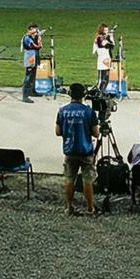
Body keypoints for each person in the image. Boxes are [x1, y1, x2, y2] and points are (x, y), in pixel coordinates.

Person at [55, 85, 99, 216]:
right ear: (83, 95)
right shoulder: (89, 111)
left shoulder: (62, 111)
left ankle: (69, 207)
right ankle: (90, 208)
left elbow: (57, 132)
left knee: (69, 179)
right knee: (88, 180)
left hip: (69, 150)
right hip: (85, 150)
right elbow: (96, 133)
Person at [20, 23, 42, 103]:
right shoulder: (26, 38)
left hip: (35, 58)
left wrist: (38, 38)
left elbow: (39, 47)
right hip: (29, 59)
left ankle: (32, 91)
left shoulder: (35, 37)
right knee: (28, 77)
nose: (36, 31)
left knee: (33, 76)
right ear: (30, 29)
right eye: (35, 30)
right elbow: (36, 46)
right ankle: (25, 96)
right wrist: (39, 40)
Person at [93, 23, 115, 92]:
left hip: (107, 59)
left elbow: (112, 46)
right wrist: (107, 39)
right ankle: (98, 93)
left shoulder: (105, 37)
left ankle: (102, 92)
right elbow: (102, 45)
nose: (106, 31)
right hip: (102, 60)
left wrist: (111, 37)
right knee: (101, 80)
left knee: (106, 79)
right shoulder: (99, 38)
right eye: (105, 30)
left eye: (107, 30)